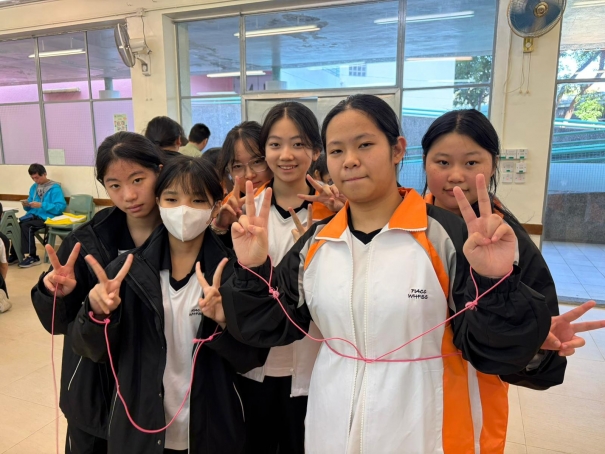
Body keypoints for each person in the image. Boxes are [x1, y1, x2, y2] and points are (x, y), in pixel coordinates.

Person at [215, 94, 578, 453]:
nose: (350, 160)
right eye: (337, 150)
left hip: (424, 429)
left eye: (365, 144)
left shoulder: (447, 236)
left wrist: (497, 287)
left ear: (397, 149)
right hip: (333, 425)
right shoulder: (317, 242)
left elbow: (490, 350)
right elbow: (267, 325)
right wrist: (253, 267)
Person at [70, 154, 268, 454]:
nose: (183, 210)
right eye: (172, 199)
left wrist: (225, 321)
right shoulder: (126, 271)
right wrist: (97, 314)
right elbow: (93, 351)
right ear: (159, 202)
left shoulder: (230, 272)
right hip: (141, 426)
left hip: (211, 427)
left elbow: (251, 358)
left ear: (215, 207)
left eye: (197, 200)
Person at [422, 109, 604, 373]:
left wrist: (533, 340)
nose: (456, 176)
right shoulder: (401, 228)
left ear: (494, 165)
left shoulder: (508, 240)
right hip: (404, 381)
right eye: (442, 162)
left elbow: (537, 331)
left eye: (471, 163)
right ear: (424, 161)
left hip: (476, 389)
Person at [31, 132, 164, 454]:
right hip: (93, 392)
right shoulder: (87, 240)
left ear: (159, 172)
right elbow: (57, 324)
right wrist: (54, 293)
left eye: (138, 179)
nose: (129, 195)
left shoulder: (182, 235)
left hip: (154, 394)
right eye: (114, 185)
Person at [218, 104, 336, 454]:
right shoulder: (243, 212)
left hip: (316, 368)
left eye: (298, 144)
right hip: (254, 367)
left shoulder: (336, 211)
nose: (286, 155)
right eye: (275, 144)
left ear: (316, 151)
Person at [213, 121, 273, 237]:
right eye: (237, 166)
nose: (249, 175)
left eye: (257, 162)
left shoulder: (290, 202)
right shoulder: (225, 207)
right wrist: (221, 225)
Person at [8, 163, 66, 268]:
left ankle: (33, 257)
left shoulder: (55, 188)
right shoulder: (34, 187)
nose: (35, 180)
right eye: (33, 178)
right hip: (33, 215)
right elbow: (30, 205)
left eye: (37, 177)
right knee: (17, 226)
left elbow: (60, 207)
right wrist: (26, 205)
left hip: (48, 217)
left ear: (44, 174)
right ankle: (15, 254)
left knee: (27, 226)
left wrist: (42, 205)